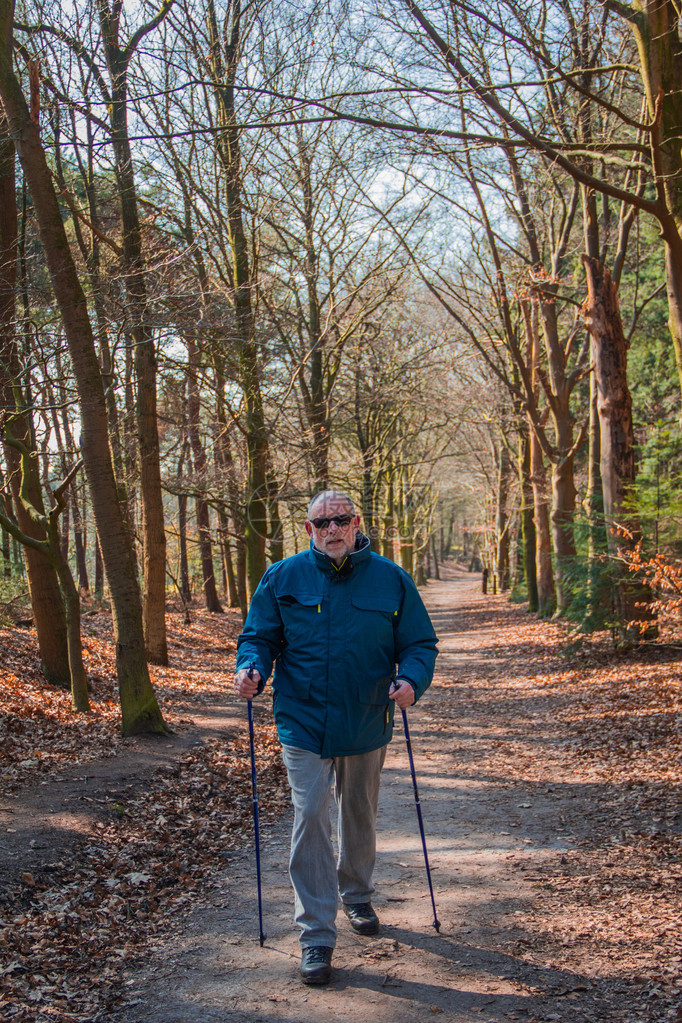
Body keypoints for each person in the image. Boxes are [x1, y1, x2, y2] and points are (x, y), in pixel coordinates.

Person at [234, 489, 438, 985]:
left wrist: (411, 680)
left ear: (356, 523)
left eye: (340, 520)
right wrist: (251, 668)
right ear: (309, 530)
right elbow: (258, 637)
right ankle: (316, 936)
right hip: (302, 720)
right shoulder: (282, 577)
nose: (332, 529)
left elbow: (419, 642)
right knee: (310, 816)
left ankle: (357, 893)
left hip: (368, 718)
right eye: (321, 523)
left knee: (358, 814)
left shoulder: (391, 578)